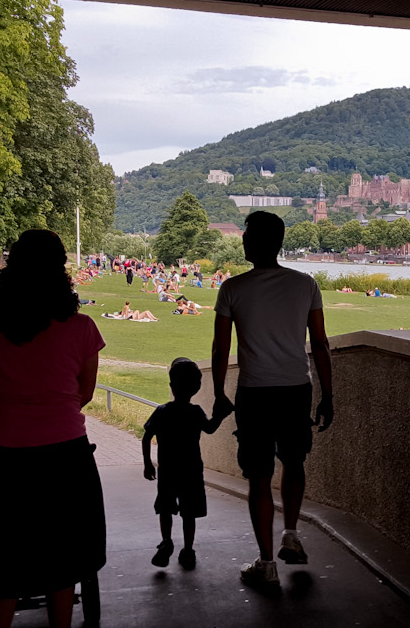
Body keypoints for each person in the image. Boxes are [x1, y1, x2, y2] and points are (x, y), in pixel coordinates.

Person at [0, 229, 106, 628]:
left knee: (1, 562)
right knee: (63, 557)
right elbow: (83, 393)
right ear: (60, 271)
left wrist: (1, 419)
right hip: (64, 455)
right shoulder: (82, 328)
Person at [212, 212, 335, 587]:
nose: (243, 240)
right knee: (294, 462)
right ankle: (291, 534)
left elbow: (220, 347)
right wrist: (328, 395)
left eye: (247, 234)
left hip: (254, 392)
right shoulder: (305, 285)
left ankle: (266, 563)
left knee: (259, 476)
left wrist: (218, 394)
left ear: (257, 241)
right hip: (296, 388)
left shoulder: (232, 288)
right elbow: (319, 343)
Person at [143, 358, 222, 570]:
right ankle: (188, 550)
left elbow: (146, 436)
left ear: (171, 385)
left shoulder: (162, 411)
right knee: (189, 512)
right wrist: (220, 414)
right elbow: (210, 428)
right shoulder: (195, 412)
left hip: (168, 470)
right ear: (196, 387)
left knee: (165, 508)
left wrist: (148, 464)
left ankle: (166, 542)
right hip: (191, 470)